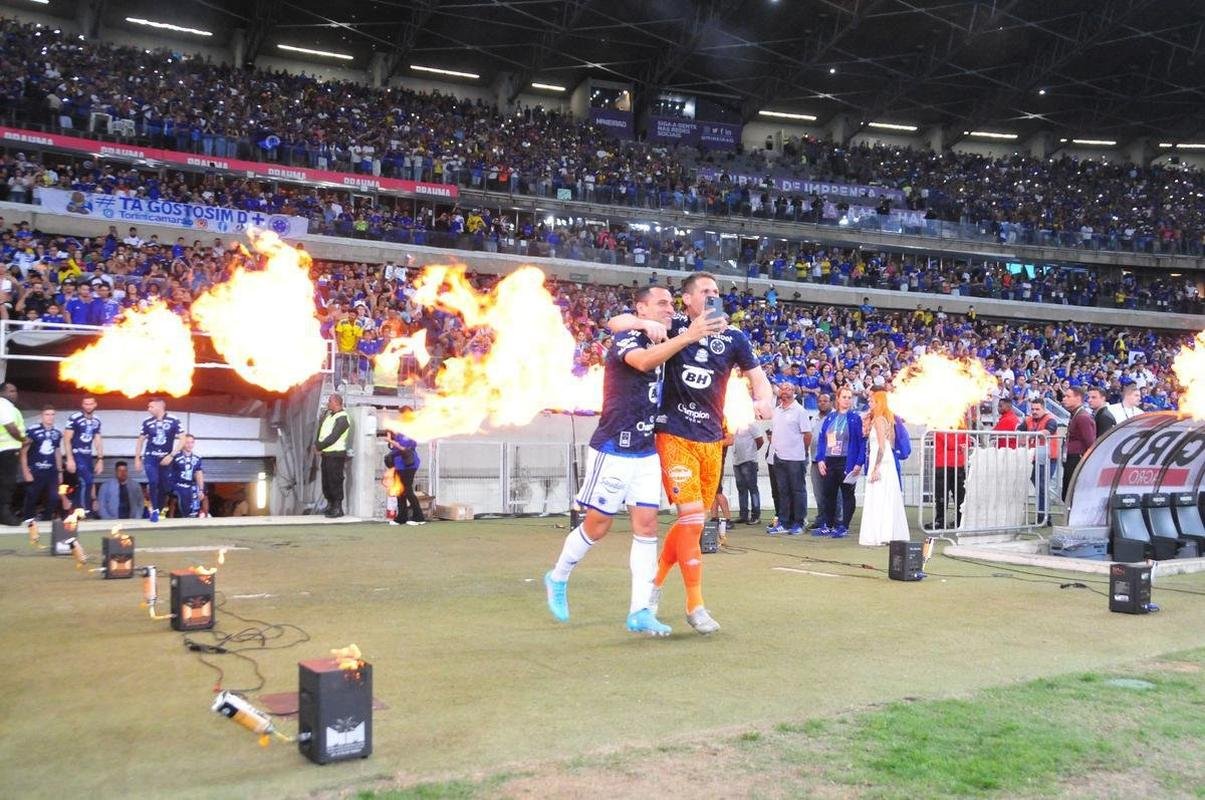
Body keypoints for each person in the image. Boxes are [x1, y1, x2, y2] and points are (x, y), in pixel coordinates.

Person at [548, 285, 724, 636]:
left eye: (672, 304)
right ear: (642, 308)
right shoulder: (630, 338)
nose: (670, 309)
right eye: (662, 304)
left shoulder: (666, 334)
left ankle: (640, 610)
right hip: (614, 446)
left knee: (647, 528)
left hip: (646, 449)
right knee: (598, 525)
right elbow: (634, 350)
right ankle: (558, 576)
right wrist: (673, 333)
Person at [608, 272, 773, 635]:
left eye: (716, 291)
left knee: (692, 521)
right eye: (705, 291)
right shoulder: (675, 324)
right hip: (673, 433)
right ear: (688, 300)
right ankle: (694, 604)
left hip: (712, 439)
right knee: (693, 516)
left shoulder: (734, 337)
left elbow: (758, 377)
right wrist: (643, 324)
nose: (713, 296)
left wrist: (764, 398)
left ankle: (654, 586)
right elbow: (616, 324)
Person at [858, 390, 909, 546]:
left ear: (879, 403)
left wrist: (876, 468)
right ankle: (886, 533)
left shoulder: (880, 420)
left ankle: (882, 534)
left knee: (881, 496)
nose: (869, 403)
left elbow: (881, 446)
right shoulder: (886, 420)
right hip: (885, 460)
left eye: (872, 401)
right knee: (885, 496)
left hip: (881, 461)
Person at [815, 387, 865, 538]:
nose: (847, 400)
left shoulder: (855, 418)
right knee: (828, 494)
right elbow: (822, 440)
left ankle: (844, 526)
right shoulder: (830, 418)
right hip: (830, 460)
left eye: (849, 397)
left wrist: (859, 462)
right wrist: (820, 459)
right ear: (837, 398)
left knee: (847, 494)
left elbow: (861, 441)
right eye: (844, 397)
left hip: (846, 461)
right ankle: (828, 525)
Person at [766, 382, 811, 535]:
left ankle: (799, 522)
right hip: (779, 457)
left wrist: (802, 451)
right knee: (783, 491)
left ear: (794, 392)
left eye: (788, 389)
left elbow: (807, 434)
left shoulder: (800, 411)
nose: (784, 391)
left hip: (795, 458)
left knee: (798, 491)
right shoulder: (777, 411)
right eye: (782, 388)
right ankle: (784, 522)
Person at [134, 397, 183, 522]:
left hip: (166, 459)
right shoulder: (147, 422)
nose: (148, 409)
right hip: (151, 457)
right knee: (153, 481)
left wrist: (171, 455)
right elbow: (140, 440)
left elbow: (183, 439)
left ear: (160, 406)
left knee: (165, 487)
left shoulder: (173, 420)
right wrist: (137, 458)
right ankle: (154, 510)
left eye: (151, 407)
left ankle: (159, 508)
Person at [21, 405, 62, 523]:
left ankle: (46, 521)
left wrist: (60, 471)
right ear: (42, 416)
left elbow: (57, 451)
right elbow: (23, 451)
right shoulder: (32, 430)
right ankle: (27, 520)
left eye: (52, 414)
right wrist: (25, 471)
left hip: (51, 472)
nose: (50, 417)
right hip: (35, 470)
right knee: (32, 496)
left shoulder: (57, 433)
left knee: (54, 497)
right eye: (47, 414)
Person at [64, 396, 104, 516]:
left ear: (95, 404)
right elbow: (66, 439)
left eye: (91, 404)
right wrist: (69, 459)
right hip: (76, 454)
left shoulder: (97, 420)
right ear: (82, 405)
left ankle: (81, 510)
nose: (88, 406)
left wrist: (100, 459)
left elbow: (97, 440)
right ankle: (83, 510)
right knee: (86, 481)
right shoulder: (74, 418)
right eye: (86, 404)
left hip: (88, 456)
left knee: (87, 483)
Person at [1022, 397, 1060, 525]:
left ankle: (1044, 517)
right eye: (1032, 409)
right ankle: (1043, 516)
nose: (1034, 411)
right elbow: (1018, 431)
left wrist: (1030, 436)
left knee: (1042, 487)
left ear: (1044, 409)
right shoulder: (1028, 420)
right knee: (1039, 487)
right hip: (1033, 458)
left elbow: (1048, 431)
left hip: (1048, 458)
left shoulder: (1050, 420)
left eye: (1037, 409)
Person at [929, 416, 970, 530]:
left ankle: (944, 521)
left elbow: (953, 443)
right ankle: (954, 520)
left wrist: (957, 444)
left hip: (946, 463)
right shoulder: (959, 423)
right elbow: (964, 442)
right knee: (951, 495)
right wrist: (959, 445)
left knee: (952, 495)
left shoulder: (939, 424)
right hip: (952, 463)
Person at [315, 393, 351, 517]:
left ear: (336, 402)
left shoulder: (342, 418)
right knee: (326, 481)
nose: (328, 403)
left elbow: (334, 437)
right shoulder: (329, 416)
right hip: (327, 454)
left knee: (335, 481)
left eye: (330, 401)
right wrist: (318, 445)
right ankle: (330, 505)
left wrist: (319, 446)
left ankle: (338, 508)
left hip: (336, 454)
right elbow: (322, 432)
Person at [385, 419, 426, 526]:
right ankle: (401, 517)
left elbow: (403, 448)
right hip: (399, 465)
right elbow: (394, 449)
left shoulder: (409, 435)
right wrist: (390, 438)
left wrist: (391, 441)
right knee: (399, 491)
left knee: (407, 490)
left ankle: (419, 517)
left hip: (408, 466)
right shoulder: (398, 435)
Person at [1061, 387, 1095, 502]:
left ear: (1078, 398)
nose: (1064, 399)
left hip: (1077, 459)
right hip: (1072, 458)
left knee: (1072, 494)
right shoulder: (1076, 415)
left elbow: (1090, 442)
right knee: (1068, 494)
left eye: (1068, 396)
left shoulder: (1082, 417)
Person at [807, 392, 834, 531]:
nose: (822, 403)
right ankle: (821, 518)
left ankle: (834, 520)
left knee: (832, 492)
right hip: (815, 460)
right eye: (820, 401)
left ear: (831, 403)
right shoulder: (814, 419)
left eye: (825, 401)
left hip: (830, 460)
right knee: (818, 493)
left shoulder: (835, 417)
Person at [0, 383, 25, 525]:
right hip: (7, 450)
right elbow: (11, 427)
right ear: (2, 392)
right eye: (11, 391)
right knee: (7, 484)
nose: (15, 393)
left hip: (7, 449)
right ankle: (4, 515)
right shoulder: (3, 405)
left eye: (15, 391)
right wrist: (24, 439)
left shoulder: (9, 407)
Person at [730, 420, 764, 525]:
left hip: (749, 460)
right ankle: (743, 515)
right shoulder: (733, 423)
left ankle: (755, 515)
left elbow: (760, 440)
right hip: (737, 460)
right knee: (741, 488)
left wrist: (751, 452)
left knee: (752, 488)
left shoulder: (751, 423)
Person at [164, 434, 204, 518]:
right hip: (175, 484)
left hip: (189, 485)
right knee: (182, 493)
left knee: (196, 492)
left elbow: (199, 474)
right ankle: (167, 514)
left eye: (192, 442)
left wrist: (201, 489)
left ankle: (193, 515)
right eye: (187, 442)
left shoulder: (197, 458)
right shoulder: (175, 455)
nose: (190, 445)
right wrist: (172, 453)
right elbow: (163, 464)